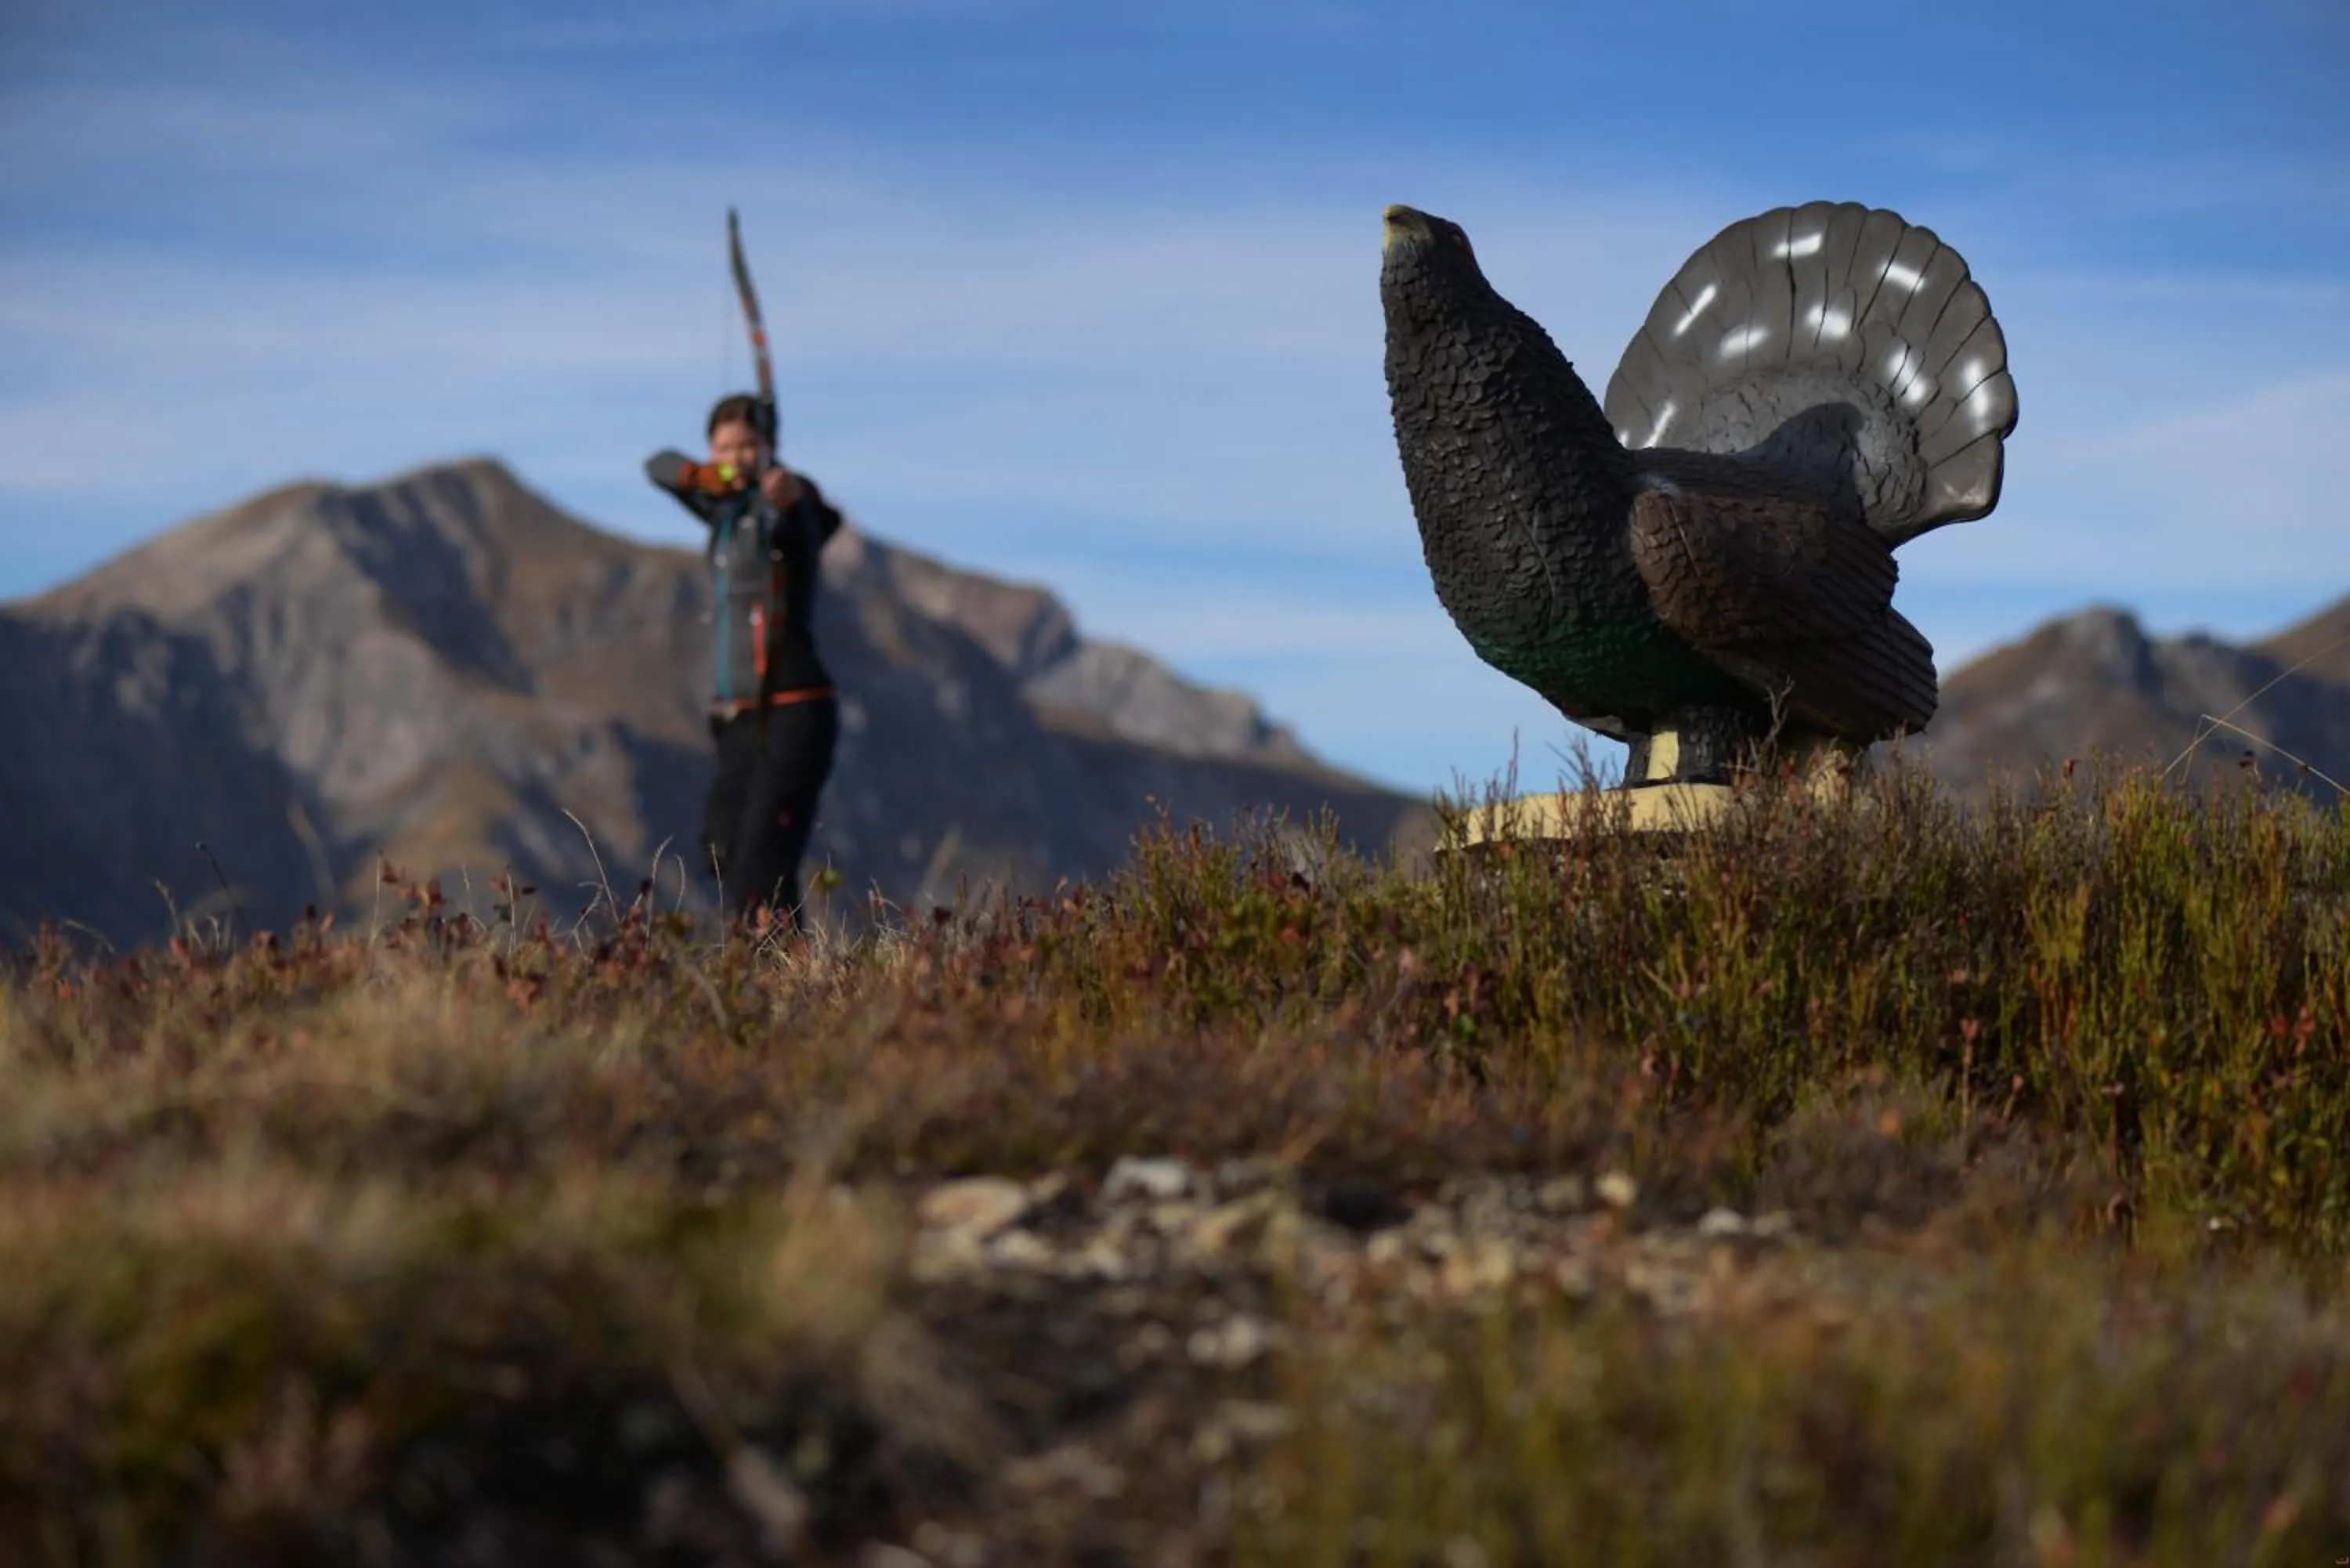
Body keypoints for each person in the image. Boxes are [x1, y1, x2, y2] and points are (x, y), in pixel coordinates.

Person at [644, 393, 843, 934]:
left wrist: (787, 493)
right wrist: (709, 476)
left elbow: (811, 515)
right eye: (724, 446)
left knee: (762, 861)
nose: (736, 455)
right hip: (736, 713)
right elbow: (658, 467)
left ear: (769, 448)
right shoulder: (725, 510)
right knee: (724, 847)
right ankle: (784, 974)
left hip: (793, 708)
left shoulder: (790, 509)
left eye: (747, 445)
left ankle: (777, 982)